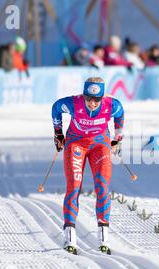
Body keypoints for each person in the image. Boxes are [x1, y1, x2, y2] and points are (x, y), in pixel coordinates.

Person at [51, 77, 125, 255]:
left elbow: (120, 116)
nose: (92, 103)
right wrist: (58, 133)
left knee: (102, 186)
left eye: (96, 100)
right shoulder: (73, 103)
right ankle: (69, 237)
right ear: (83, 96)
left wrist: (117, 139)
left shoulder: (112, 105)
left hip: (100, 145)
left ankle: (104, 238)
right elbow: (56, 108)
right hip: (76, 144)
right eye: (89, 99)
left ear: (102, 97)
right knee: (74, 186)